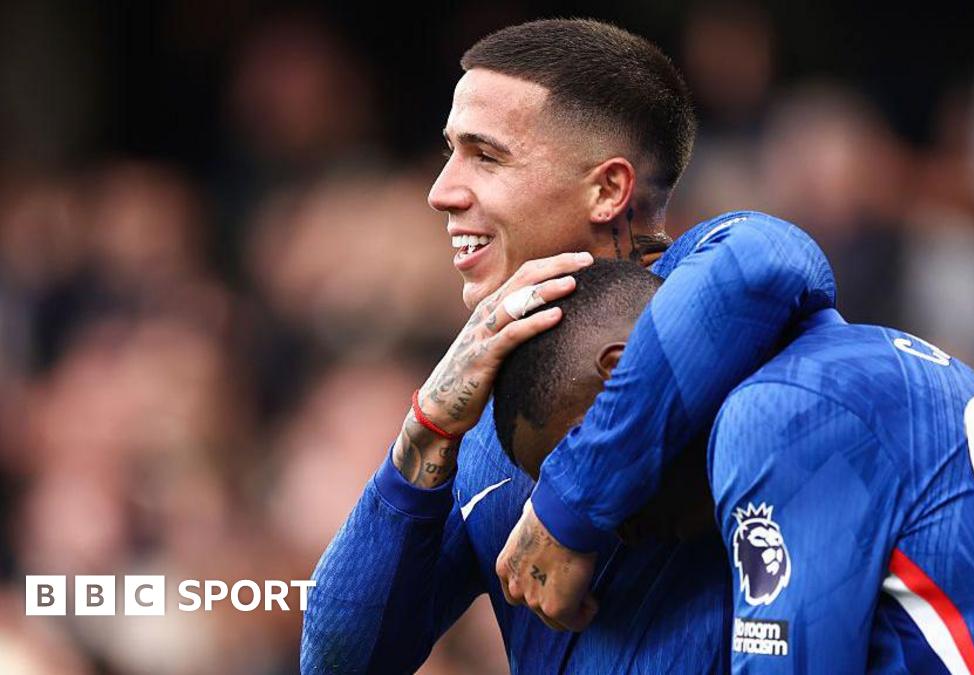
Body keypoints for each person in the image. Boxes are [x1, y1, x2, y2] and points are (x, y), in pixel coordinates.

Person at [301, 18, 837, 673]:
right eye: (449, 153)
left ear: (609, 190)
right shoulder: (485, 428)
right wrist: (427, 427)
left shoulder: (737, 298)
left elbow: (763, 264)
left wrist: (564, 509)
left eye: (486, 156)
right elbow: (339, 660)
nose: (441, 192)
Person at [493, 259, 974, 673]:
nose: (613, 530)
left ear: (622, 374)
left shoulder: (773, 417)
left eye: (582, 452)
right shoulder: (860, 359)